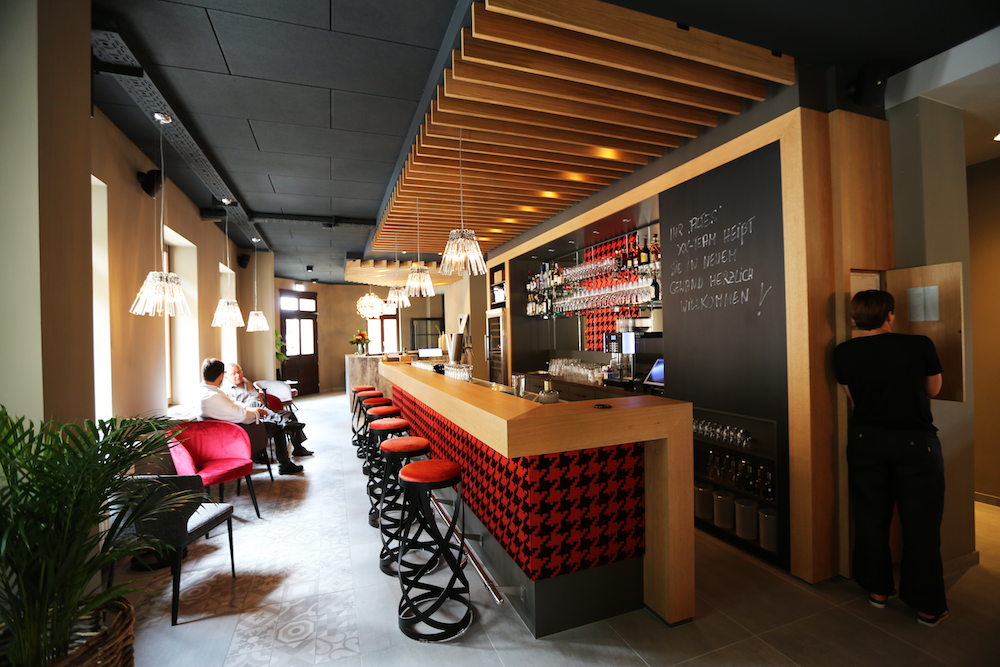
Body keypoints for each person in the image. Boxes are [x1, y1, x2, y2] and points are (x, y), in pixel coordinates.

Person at [834, 290, 947, 627]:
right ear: (890, 315)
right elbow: (933, 390)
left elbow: (854, 399)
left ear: (856, 318)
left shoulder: (843, 352)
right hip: (915, 444)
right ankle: (927, 607)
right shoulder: (920, 345)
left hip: (865, 441)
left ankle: (878, 590)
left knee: (870, 517)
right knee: (922, 524)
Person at [193, 358, 303, 475]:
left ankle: (284, 423)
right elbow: (242, 416)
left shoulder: (205, 391)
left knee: (258, 407)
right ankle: (284, 464)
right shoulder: (214, 395)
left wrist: (249, 408)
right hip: (236, 433)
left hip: (228, 429)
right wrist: (257, 413)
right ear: (221, 376)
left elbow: (232, 402)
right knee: (277, 427)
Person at [223, 362, 313, 456]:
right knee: (254, 404)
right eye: (233, 374)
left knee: (289, 415)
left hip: (267, 410)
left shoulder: (246, 381)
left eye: (239, 371)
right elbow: (237, 408)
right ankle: (283, 422)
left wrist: (264, 401)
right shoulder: (227, 391)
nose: (238, 375)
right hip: (254, 416)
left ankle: (298, 448)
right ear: (226, 376)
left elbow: (257, 394)